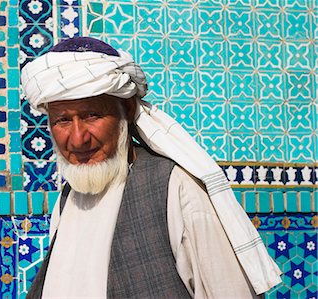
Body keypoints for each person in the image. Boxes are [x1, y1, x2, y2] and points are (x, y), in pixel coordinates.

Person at [21, 37, 282, 298]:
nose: (78, 138)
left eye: (92, 115)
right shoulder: (68, 199)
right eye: (62, 120)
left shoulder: (177, 188)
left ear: (126, 108)